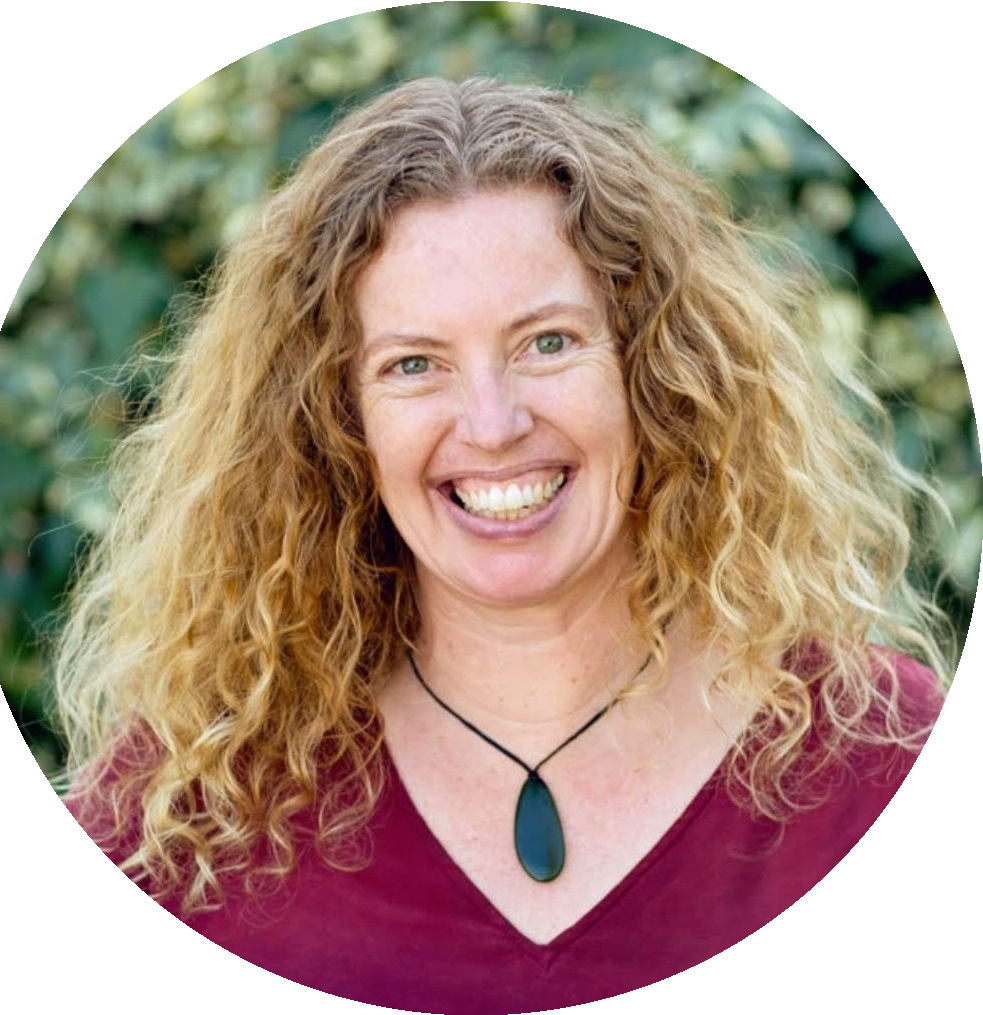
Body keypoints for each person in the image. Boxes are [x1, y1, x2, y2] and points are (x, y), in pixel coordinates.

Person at [58, 77, 950, 1009]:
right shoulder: (189, 808)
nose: (490, 423)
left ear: (654, 372)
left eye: (548, 343)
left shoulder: (874, 757)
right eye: (413, 364)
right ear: (333, 420)